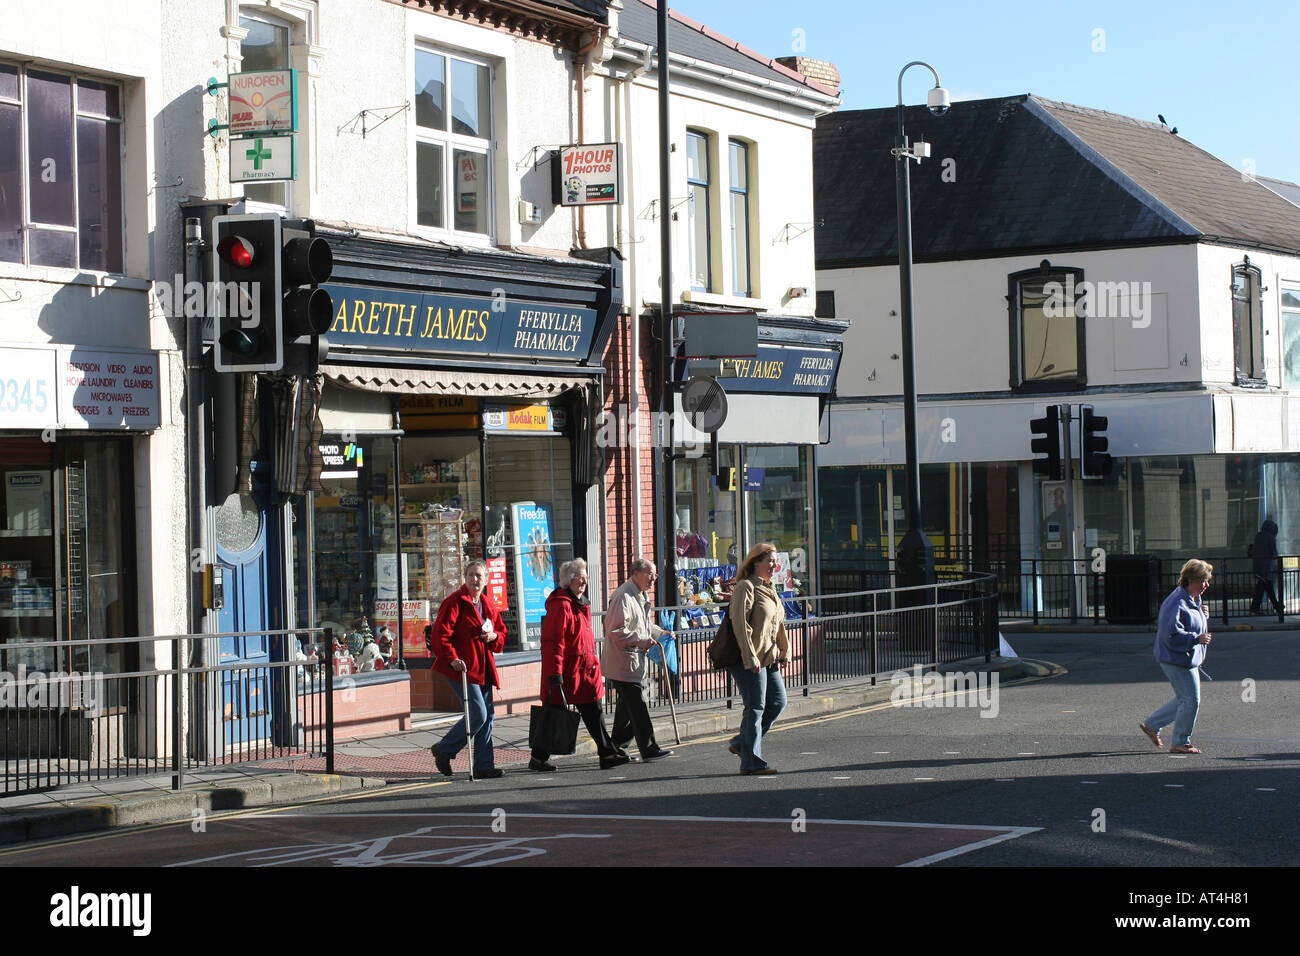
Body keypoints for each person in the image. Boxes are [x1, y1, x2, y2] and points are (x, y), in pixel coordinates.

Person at [531, 558, 629, 772]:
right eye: (579, 577)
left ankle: (607, 752)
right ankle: (538, 757)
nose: (584, 581)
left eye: (585, 576)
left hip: (585, 671)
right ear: (568, 580)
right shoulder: (562, 606)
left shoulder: (579, 603)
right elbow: (554, 642)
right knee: (554, 714)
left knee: (594, 711)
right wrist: (555, 674)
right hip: (568, 672)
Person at [428, 560, 508, 779]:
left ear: (486, 580)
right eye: (471, 575)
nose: (475, 579)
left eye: (479, 576)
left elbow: (501, 634)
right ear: (465, 577)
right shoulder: (455, 602)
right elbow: (440, 636)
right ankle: (444, 748)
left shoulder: (487, 604)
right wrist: (452, 657)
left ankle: (483, 765)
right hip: (462, 668)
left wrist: (494, 637)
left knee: (487, 716)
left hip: (484, 668)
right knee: (478, 713)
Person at [602, 557, 675, 762]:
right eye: (649, 574)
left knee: (626, 709)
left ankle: (617, 749)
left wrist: (662, 633)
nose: (653, 579)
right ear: (635, 574)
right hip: (622, 662)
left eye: (655, 575)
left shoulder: (639, 595)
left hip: (631, 662)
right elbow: (615, 631)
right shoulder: (623, 596)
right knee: (638, 705)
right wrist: (642, 640)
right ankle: (649, 748)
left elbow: (642, 626)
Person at [726, 542, 790, 775]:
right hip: (751, 659)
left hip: (769, 657)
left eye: (775, 561)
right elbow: (740, 625)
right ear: (755, 562)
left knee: (778, 702)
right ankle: (751, 762)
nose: (774, 565)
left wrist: (784, 650)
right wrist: (750, 657)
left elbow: (778, 624)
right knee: (755, 708)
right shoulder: (745, 587)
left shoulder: (769, 587)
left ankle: (741, 743)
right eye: (769, 561)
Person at [1139, 558, 1213, 755]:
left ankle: (1152, 725)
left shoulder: (1192, 598)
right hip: (1177, 658)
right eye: (1203, 580)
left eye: (1207, 580)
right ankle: (1181, 742)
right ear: (1191, 579)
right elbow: (1170, 634)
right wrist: (1196, 639)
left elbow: (1190, 621)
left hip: (1185, 658)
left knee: (1185, 698)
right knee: (1191, 700)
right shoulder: (1177, 601)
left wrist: (1203, 613)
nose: (1207, 585)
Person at [1248, 518, 1282, 616]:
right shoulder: (1271, 537)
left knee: (1265, 587)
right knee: (1265, 587)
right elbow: (1274, 554)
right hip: (1267, 568)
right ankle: (1257, 608)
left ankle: (1276, 606)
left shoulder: (1258, 535)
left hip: (1257, 566)